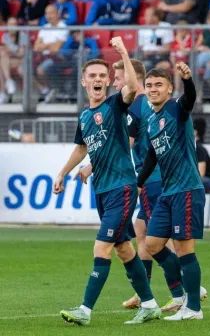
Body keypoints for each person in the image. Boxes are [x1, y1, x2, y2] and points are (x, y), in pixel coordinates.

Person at [74, 58, 208, 311]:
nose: (114, 82)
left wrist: (94, 165)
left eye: (118, 78)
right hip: (156, 179)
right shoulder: (150, 108)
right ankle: (159, 292)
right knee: (147, 235)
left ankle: (181, 289)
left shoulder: (138, 105)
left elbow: (128, 140)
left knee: (163, 239)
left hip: (162, 182)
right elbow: (149, 150)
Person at [53, 37, 161, 326]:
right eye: (93, 76)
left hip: (122, 187)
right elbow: (81, 147)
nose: (99, 79)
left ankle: (84, 311)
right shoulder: (86, 116)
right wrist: (63, 172)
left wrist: (124, 52)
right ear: (84, 83)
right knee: (124, 249)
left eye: (103, 75)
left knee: (101, 247)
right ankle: (150, 305)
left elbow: (133, 89)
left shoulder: (114, 105)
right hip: (102, 189)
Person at [137, 63, 205, 320]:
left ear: (169, 89)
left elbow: (190, 99)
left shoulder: (177, 108)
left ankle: (194, 308)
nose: (153, 89)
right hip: (168, 192)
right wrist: (139, 182)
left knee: (184, 248)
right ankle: (191, 289)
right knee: (153, 244)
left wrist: (187, 80)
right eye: (149, 86)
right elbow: (152, 156)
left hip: (187, 189)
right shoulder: (152, 121)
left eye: (158, 85)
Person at [193, 118, 210, 192]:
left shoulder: (199, 148)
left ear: (195, 132)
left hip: (208, 180)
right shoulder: (192, 146)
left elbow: (201, 173)